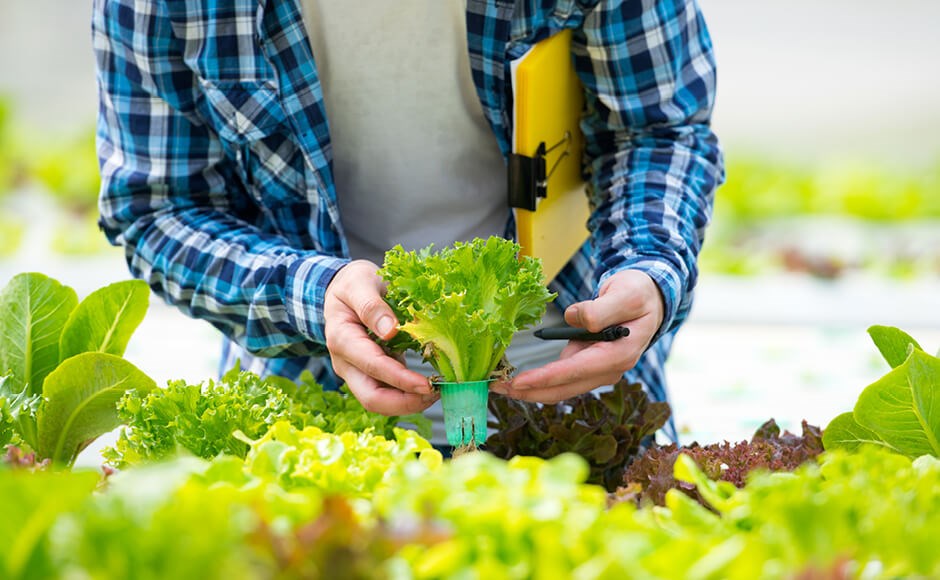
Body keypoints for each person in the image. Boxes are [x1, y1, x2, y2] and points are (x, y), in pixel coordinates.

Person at [92, 0, 723, 444]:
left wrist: (648, 267)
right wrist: (311, 294)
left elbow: (658, 130)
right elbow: (158, 208)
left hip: (576, 399)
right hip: (316, 407)